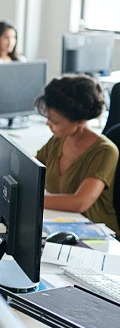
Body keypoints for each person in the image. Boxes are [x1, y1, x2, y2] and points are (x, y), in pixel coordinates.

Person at [34, 75, 119, 234]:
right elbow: (31, 166)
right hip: (62, 224)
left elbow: (80, 202)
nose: (48, 124)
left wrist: (29, 198)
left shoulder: (105, 151)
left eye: (55, 121)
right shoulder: (59, 138)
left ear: (79, 121)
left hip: (95, 235)